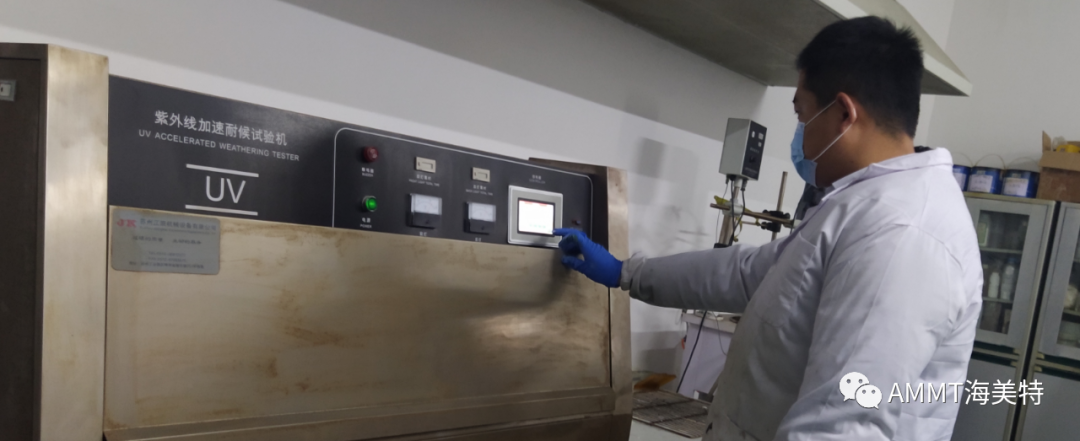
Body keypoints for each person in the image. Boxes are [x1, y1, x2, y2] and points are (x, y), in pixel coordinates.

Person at [554, 16, 982, 441]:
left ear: (843, 114)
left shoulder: (902, 235)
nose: (800, 136)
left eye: (802, 114)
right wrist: (627, 272)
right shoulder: (862, 207)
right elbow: (747, 272)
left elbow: (841, 427)